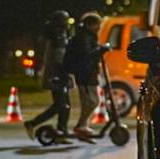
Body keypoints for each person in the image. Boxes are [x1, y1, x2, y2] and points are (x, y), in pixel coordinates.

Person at [24, 10, 73, 139]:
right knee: (60, 105)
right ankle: (32, 123)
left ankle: (62, 132)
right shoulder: (55, 37)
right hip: (57, 75)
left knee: (65, 106)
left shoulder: (61, 36)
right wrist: (64, 71)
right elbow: (57, 58)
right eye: (65, 20)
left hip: (60, 74)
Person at [62, 12, 111, 140]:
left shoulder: (88, 36)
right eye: (97, 24)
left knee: (92, 101)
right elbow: (87, 55)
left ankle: (82, 125)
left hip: (89, 72)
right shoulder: (84, 37)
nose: (99, 27)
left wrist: (100, 48)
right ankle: (81, 125)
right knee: (91, 101)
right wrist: (102, 49)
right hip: (84, 73)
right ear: (90, 25)